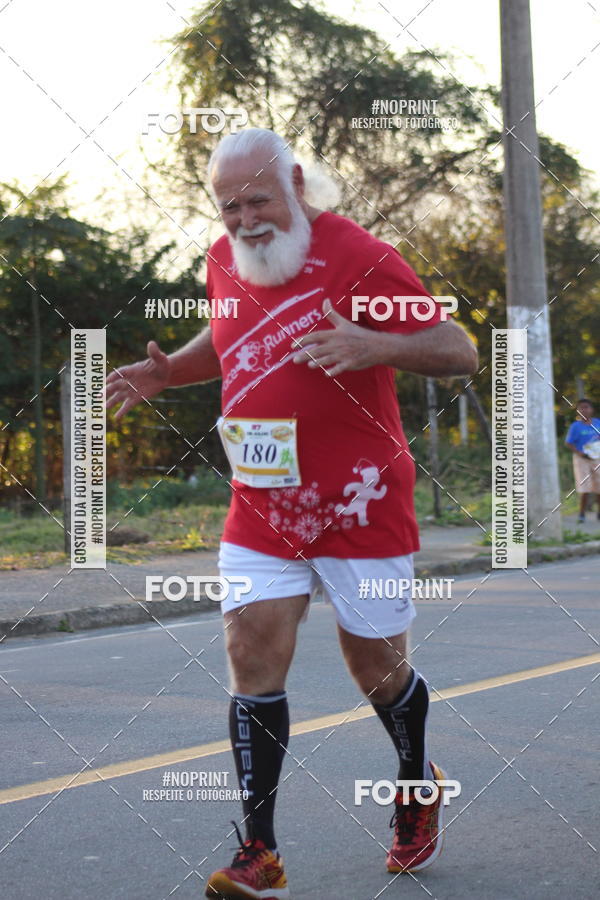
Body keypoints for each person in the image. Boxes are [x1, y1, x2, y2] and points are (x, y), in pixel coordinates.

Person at [106, 127, 478, 900]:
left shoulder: (359, 256)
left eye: (258, 200)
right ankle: (260, 853)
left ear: (297, 184)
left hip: (360, 499)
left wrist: (374, 344)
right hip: (264, 501)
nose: (244, 220)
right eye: (229, 205)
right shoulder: (222, 258)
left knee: (374, 663)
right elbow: (232, 332)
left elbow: (458, 349)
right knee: (251, 646)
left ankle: (415, 783)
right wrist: (173, 370)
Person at [565, 398, 600, 523]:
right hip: (582, 459)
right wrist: (580, 453)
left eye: (586, 407)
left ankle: (598, 512)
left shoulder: (597, 423)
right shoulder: (575, 426)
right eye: (581, 408)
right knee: (584, 487)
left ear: (592, 409)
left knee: (598, 486)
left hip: (597, 458)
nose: (584, 410)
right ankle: (581, 513)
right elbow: (569, 443)